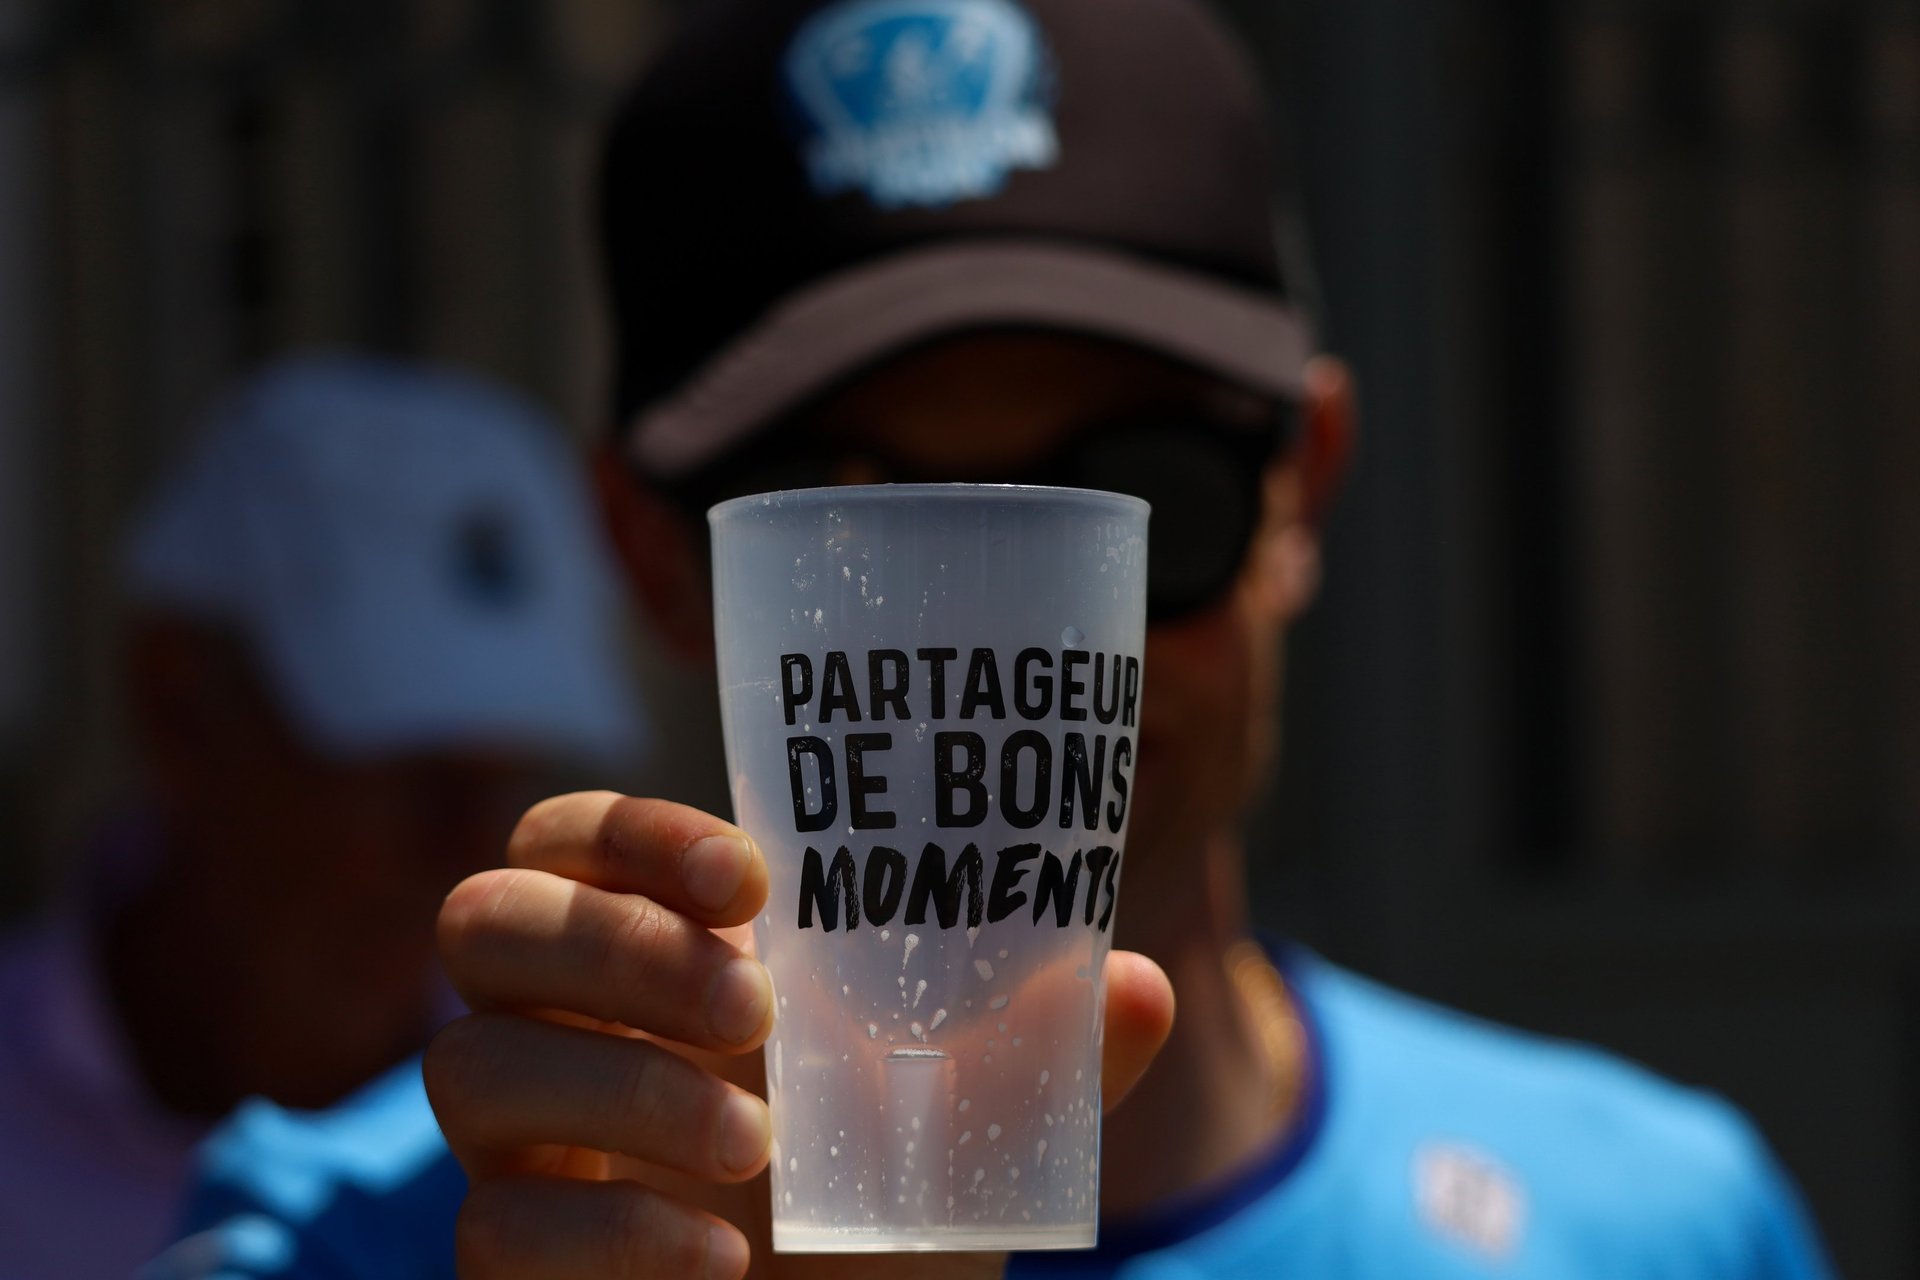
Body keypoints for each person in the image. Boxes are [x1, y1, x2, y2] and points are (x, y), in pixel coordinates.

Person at [148, 2, 1833, 1277]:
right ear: (653, 556)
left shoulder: (1656, 1220)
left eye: (1140, 489)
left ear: (1302, 488)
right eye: (853, 512)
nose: (999, 642)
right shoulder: (367, 1240)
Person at [0, 354, 642, 1279]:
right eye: (410, 767)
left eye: (515, 777)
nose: (474, 849)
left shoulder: (594, 1137)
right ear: (175, 707)